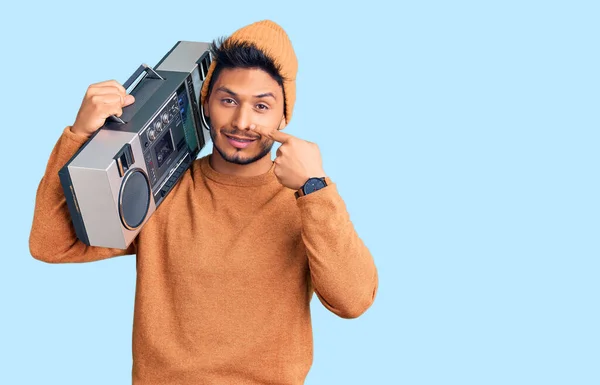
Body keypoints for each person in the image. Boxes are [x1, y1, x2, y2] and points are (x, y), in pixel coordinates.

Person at [29, 19, 378, 385]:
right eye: (228, 100)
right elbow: (51, 244)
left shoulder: (308, 201)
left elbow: (353, 300)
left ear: (284, 115)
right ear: (206, 102)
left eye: (261, 106)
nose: (242, 122)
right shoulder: (163, 187)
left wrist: (314, 187)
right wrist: (79, 136)